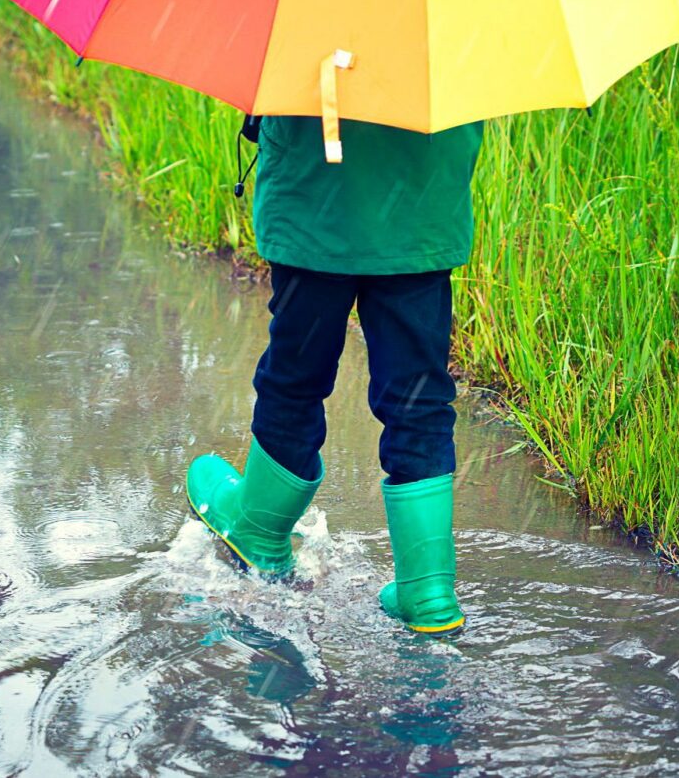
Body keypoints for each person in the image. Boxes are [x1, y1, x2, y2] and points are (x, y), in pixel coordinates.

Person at [186, 115, 484, 636]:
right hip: (419, 202)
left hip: (315, 198)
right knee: (419, 395)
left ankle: (258, 527)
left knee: (297, 373)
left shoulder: (305, 27)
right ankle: (428, 590)